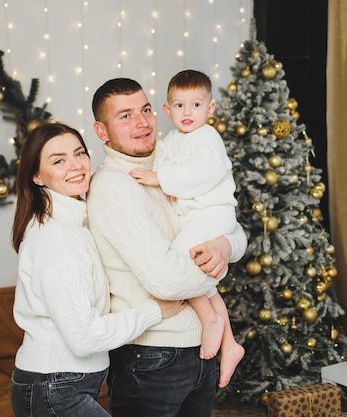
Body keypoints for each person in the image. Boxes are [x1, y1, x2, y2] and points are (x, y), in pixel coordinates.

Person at [87, 78, 247, 417]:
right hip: (152, 357)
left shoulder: (175, 160)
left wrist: (223, 245)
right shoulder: (113, 187)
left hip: (199, 351)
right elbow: (169, 283)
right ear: (102, 132)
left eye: (145, 110)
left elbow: (231, 224)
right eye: (126, 116)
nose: (143, 122)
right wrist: (223, 257)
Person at [9, 121, 186, 417]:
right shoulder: (56, 239)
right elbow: (85, 337)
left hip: (63, 384)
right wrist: (155, 310)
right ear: (37, 177)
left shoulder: (72, 226)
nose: (76, 166)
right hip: (53, 387)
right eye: (58, 161)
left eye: (79, 153)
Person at [128, 70, 244, 368]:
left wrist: (160, 179)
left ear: (210, 108)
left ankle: (210, 320)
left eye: (196, 104)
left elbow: (206, 172)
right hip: (194, 217)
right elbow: (164, 161)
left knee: (179, 261)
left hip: (213, 213)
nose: (187, 112)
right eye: (179, 106)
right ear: (167, 110)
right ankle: (230, 345)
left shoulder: (208, 138)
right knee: (201, 275)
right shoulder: (171, 140)